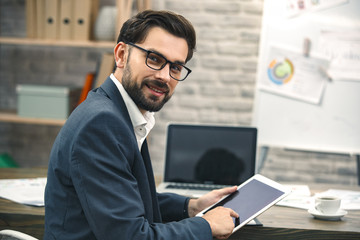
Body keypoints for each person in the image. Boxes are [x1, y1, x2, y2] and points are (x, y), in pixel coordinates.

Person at [44, 10, 239, 240]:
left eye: (175, 67)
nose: (165, 76)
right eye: (154, 59)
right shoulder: (101, 123)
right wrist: (205, 226)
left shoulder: (116, 110)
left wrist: (193, 206)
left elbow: (127, 200)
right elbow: (131, 235)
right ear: (121, 55)